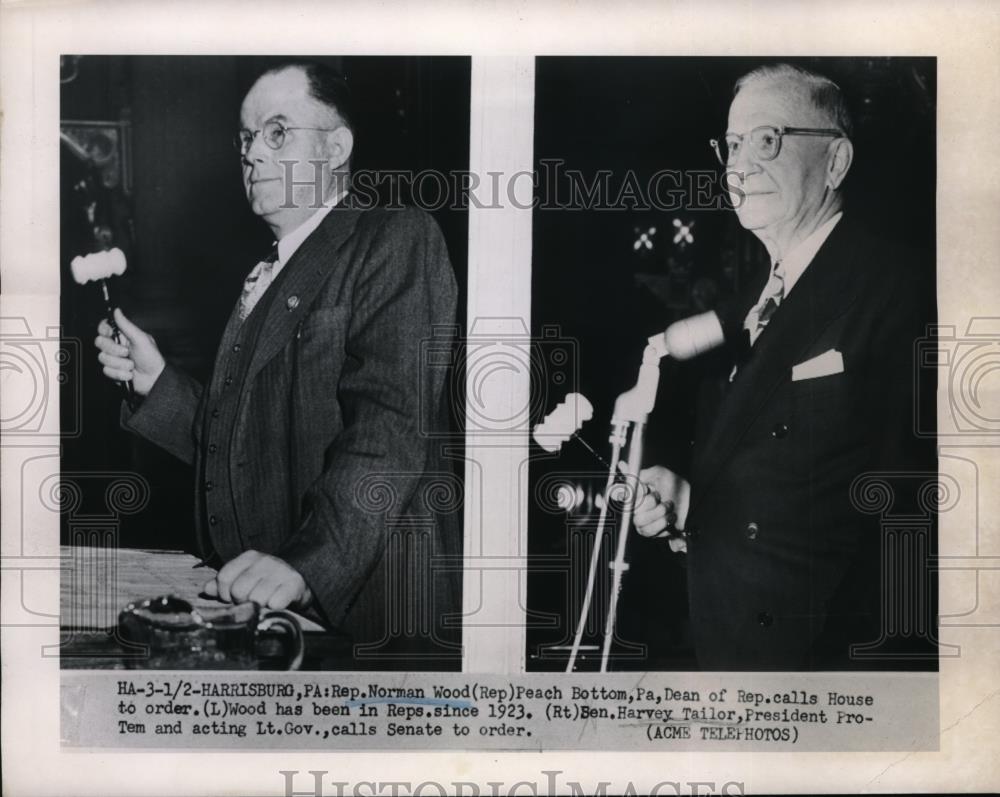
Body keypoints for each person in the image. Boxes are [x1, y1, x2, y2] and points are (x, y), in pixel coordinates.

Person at [94, 61, 461, 665]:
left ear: (336, 146)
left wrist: (305, 566)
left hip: (370, 621)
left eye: (277, 132)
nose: (253, 154)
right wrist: (156, 382)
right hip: (265, 611)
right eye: (246, 138)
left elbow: (390, 433)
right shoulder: (268, 268)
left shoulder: (393, 237)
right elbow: (252, 447)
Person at [634, 63, 935, 670]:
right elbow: (769, 480)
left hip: (830, 672)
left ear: (836, 162)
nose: (739, 165)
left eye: (767, 139)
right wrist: (688, 502)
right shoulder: (747, 304)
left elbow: (913, 522)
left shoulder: (904, 292)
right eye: (733, 144)